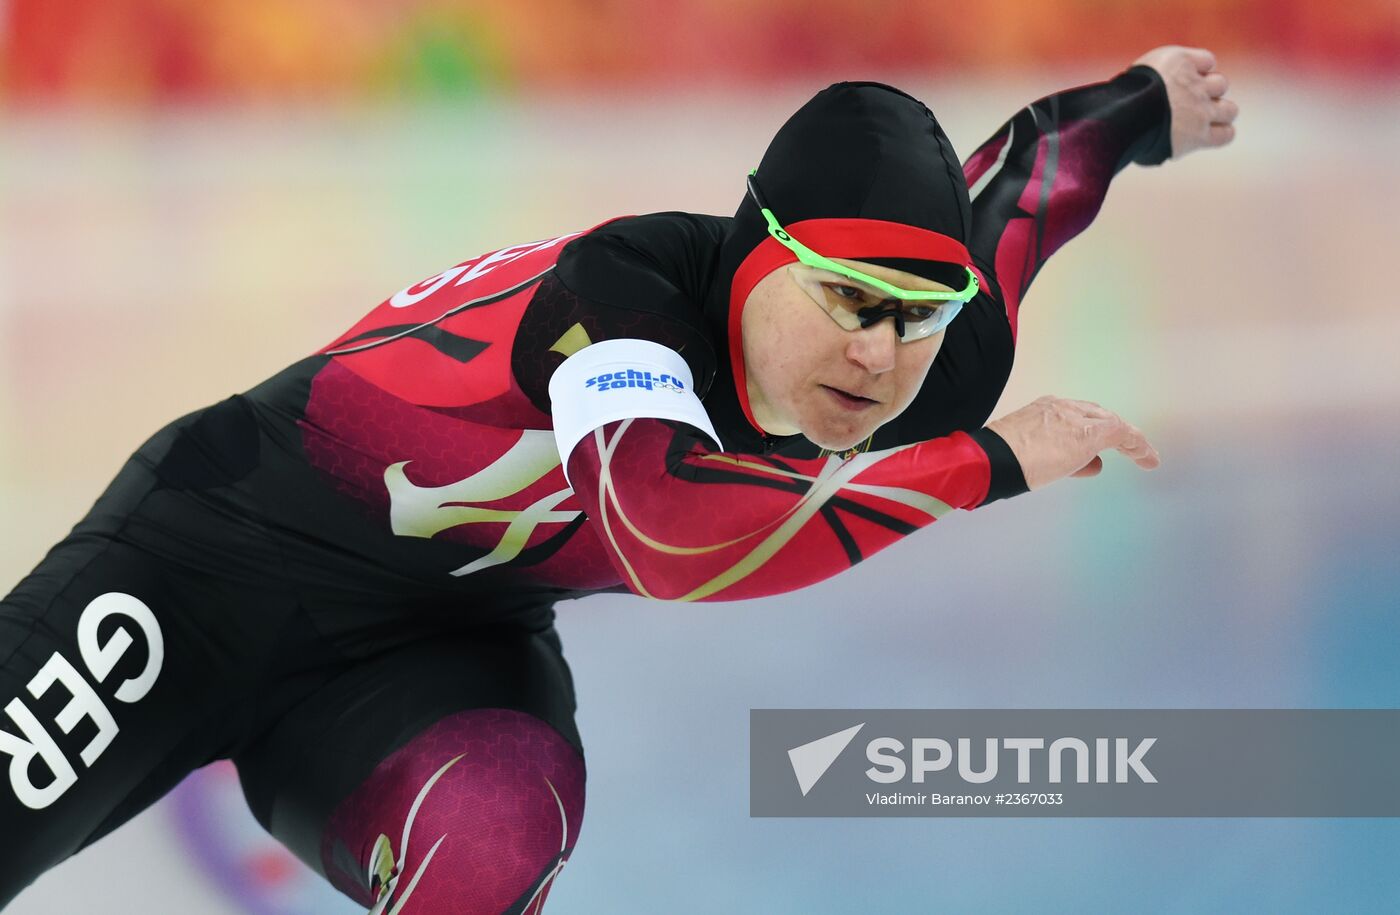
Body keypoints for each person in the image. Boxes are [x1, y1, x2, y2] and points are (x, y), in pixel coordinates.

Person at [0, 45, 1236, 913]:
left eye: (919, 315)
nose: (879, 352)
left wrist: (1140, 107)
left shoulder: (918, 356)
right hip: (196, 574)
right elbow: (662, 533)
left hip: (430, 649)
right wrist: (983, 466)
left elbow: (1019, 193)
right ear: (755, 256)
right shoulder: (623, 295)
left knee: (493, 836)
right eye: (848, 300)